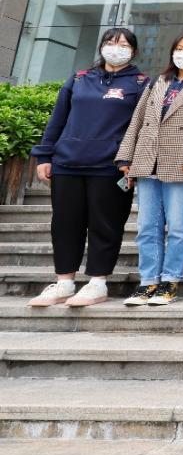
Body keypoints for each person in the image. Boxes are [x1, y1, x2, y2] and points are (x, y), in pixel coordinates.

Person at [27, 28, 150, 308]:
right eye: (110, 42)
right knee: (64, 224)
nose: (115, 48)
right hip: (67, 163)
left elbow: (142, 126)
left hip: (111, 167)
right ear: (101, 46)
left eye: (123, 44)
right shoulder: (80, 78)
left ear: (133, 51)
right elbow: (58, 119)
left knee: (105, 224)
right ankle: (64, 282)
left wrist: (131, 161)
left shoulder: (141, 83)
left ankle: (97, 282)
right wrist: (44, 155)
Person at [116, 30, 183, 306]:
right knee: (147, 227)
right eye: (179, 48)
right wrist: (126, 157)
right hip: (147, 160)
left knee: (179, 227)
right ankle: (148, 281)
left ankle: (170, 280)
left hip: (182, 164)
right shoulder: (157, 82)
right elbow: (138, 120)